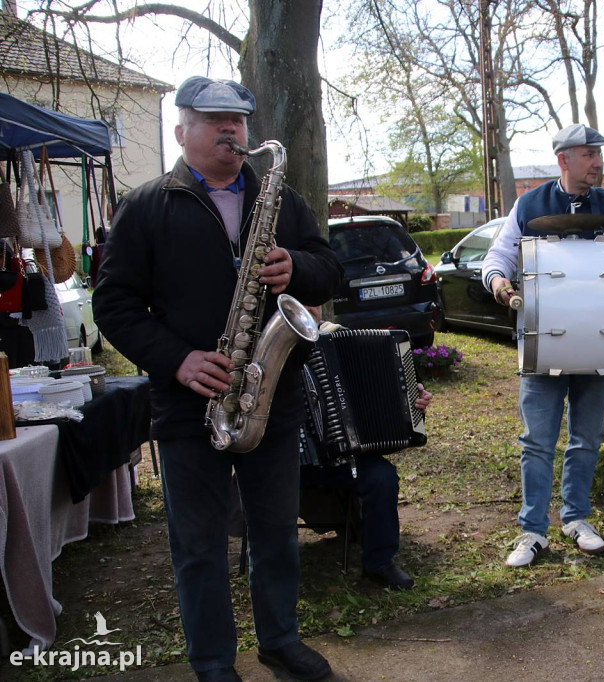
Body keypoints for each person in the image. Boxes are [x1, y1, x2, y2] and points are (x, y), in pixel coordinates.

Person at [93, 76, 342, 682]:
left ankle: (280, 641)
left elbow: (330, 269)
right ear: (182, 132)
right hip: (188, 404)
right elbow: (114, 304)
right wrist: (177, 359)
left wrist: (296, 266)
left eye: (237, 119)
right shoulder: (146, 205)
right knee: (199, 543)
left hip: (270, 399)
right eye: (213, 119)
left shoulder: (282, 200)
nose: (230, 129)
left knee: (276, 533)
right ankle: (211, 661)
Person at [482, 124, 604, 568]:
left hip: (601, 339)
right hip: (543, 339)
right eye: (588, 154)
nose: (598, 162)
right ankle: (532, 530)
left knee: (586, 438)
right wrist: (498, 281)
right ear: (564, 159)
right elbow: (498, 256)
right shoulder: (529, 204)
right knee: (537, 442)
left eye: (599, 154)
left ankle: (576, 518)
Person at [301, 309, 433, 591]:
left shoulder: (337, 337)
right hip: (288, 459)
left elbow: (388, 395)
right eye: (301, 301)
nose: (310, 309)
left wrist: (413, 401)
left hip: (341, 459)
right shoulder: (268, 347)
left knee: (381, 477)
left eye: (314, 302)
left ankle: (379, 564)